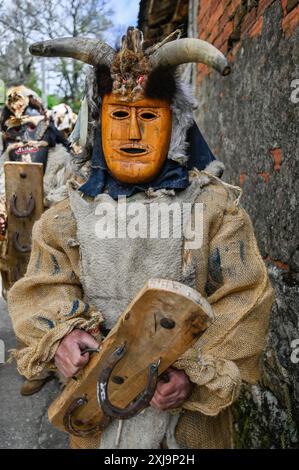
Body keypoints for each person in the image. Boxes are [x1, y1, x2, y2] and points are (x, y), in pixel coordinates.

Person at [8, 28, 274, 449]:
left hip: (187, 429)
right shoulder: (67, 214)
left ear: (175, 125)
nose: (132, 133)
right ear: (99, 124)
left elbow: (247, 296)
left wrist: (191, 371)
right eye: (119, 116)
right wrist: (62, 334)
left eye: (149, 116)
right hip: (97, 413)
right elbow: (42, 286)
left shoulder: (215, 208)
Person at [0, 85, 72, 395]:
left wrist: (42, 201)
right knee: (17, 296)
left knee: (49, 298)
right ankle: (30, 359)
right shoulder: (9, 152)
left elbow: (68, 191)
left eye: (32, 118)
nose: (28, 127)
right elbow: (3, 187)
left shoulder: (59, 154)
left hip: (48, 239)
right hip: (14, 240)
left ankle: (50, 363)